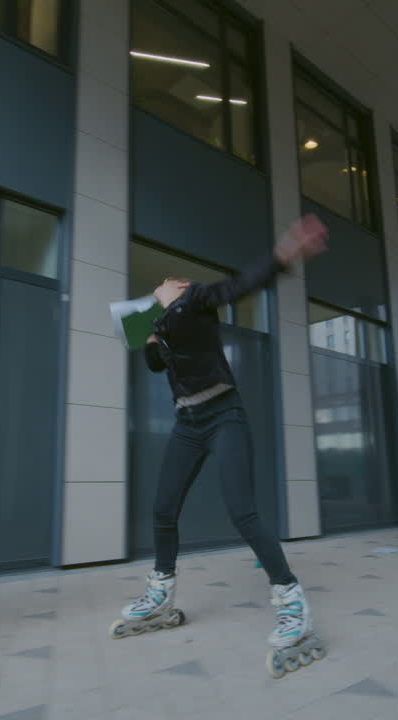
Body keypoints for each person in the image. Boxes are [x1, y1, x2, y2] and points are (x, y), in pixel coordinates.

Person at [113, 214, 329, 676]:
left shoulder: (198, 298)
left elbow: (239, 286)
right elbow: (142, 351)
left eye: (175, 281)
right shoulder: (161, 321)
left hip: (224, 415)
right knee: (162, 508)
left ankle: (293, 604)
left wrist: (285, 250)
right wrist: (153, 315)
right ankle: (160, 594)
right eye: (167, 282)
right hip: (187, 422)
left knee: (242, 512)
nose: (173, 282)